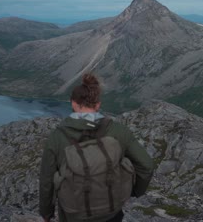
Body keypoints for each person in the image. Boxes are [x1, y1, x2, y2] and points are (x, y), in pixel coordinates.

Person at [39, 73, 154, 222]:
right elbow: (147, 165)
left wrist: (46, 214)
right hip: (111, 211)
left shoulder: (57, 137)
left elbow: (46, 181)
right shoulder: (119, 131)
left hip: (73, 215)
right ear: (98, 104)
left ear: (73, 103)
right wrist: (134, 191)